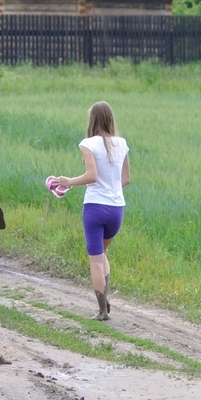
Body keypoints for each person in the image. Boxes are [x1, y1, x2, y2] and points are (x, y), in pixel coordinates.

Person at [53, 101, 130, 321]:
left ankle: (102, 310)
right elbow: (126, 179)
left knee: (95, 260)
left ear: (93, 120)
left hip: (95, 207)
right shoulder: (122, 143)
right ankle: (105, 298)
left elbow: (92, 176)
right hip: (117, 208)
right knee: (103, 254)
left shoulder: (88, 143)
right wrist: (112, 189)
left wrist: (68, 181)